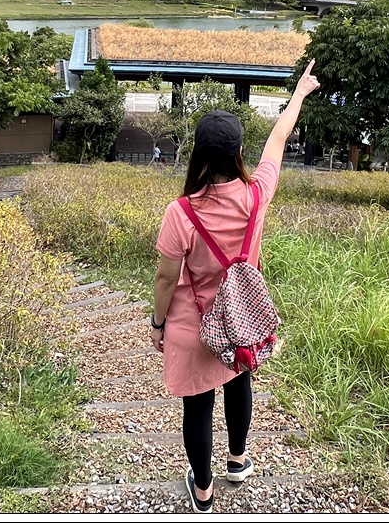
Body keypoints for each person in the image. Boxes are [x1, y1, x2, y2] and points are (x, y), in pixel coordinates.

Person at [150, 60, 320, 513]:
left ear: (199, 157)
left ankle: (202, 492)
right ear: (238, 153)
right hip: (243, 319)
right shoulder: (257, 194)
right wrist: (299, 93)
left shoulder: (180, 213)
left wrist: (157, 323)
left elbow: (167, 277)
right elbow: (278, 140)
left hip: (194, 324)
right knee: (239, 378)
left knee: (198, 406)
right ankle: (239, 461)